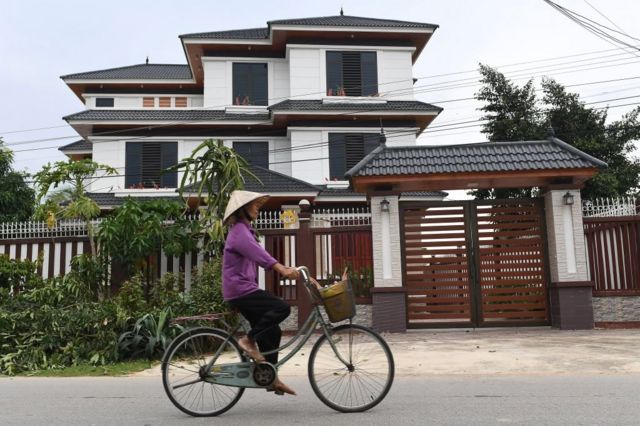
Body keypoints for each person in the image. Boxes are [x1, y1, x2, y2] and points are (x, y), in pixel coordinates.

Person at [222, 190, 300, 396]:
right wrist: (282, 269)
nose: (257, 208)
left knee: (272, 331)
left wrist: (291, 270)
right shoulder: (239, 232)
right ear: (243, 210)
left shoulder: (245, 231)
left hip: (244, 288)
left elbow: (260, 255)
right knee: (282, 307)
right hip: (240, 290)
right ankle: (248, 340)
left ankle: (270, 377)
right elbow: (260, 255)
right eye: (254, 205)